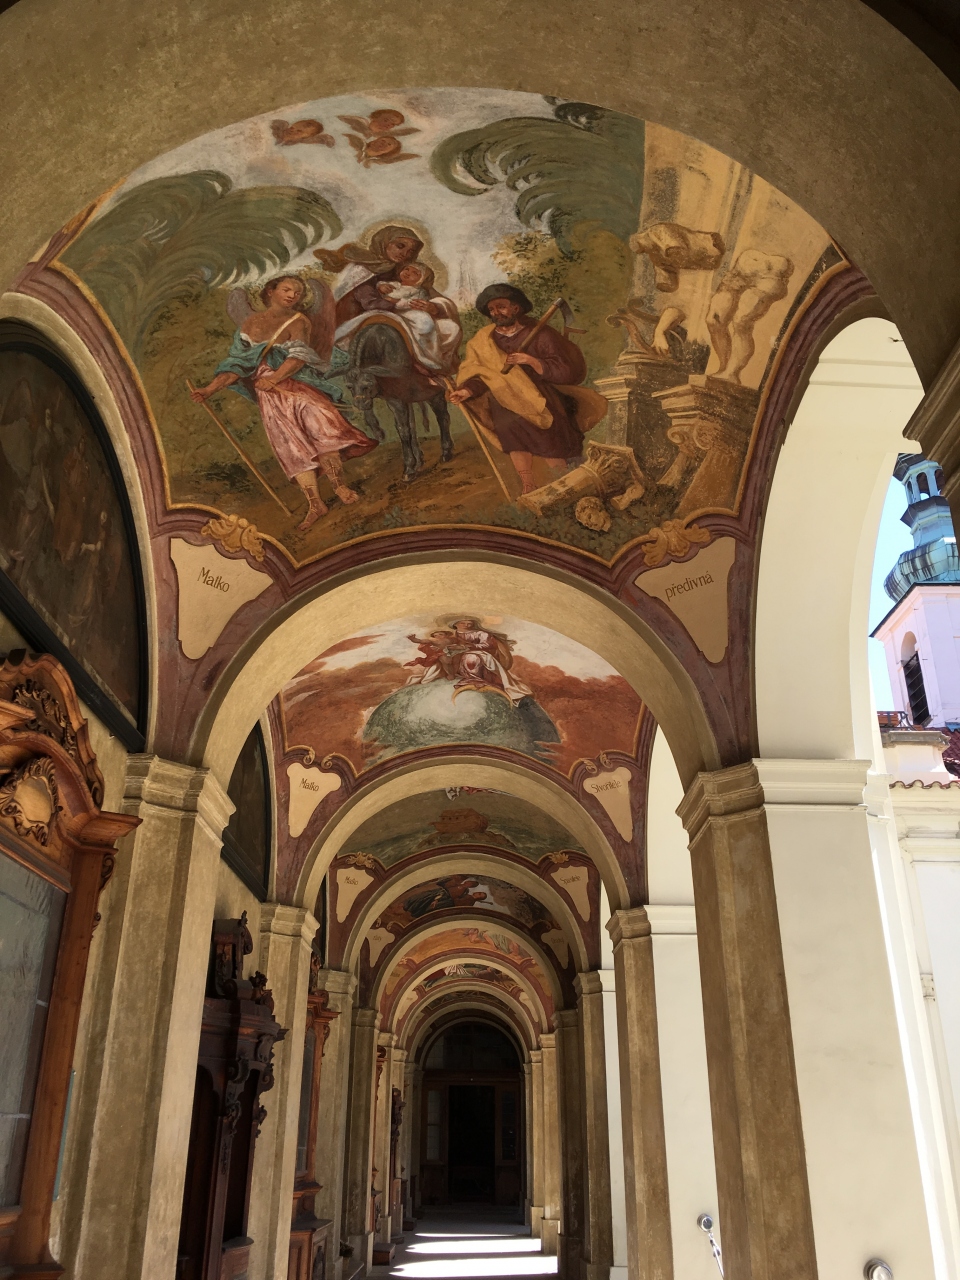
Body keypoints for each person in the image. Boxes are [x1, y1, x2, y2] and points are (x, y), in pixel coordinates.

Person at [189, 275, 377, 530]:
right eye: (287, 289)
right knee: (293, 449)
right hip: (271, 399)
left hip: (297, 386)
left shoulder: (298, 321)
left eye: (297, 293)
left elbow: (298, 357)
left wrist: (275, 378)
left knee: (324, 430)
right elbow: (237, 365)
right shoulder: (250, 324)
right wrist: (209, 390)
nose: (292, 296)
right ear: (270, 291)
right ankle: (315, 504)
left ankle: (339, 486)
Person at [447, 283, 606, 495]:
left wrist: (531, 361)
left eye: (501, 307)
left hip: (541, 399)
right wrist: (466, 391)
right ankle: (529, 487)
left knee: (550, 442)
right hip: (504, 400)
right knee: (515, 442)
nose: (496, 313)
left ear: (516, 307)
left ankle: (565, 484)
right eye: (492, 309)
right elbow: (483, 374)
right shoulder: (484, 340)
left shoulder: (540, 334)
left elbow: (566, 370)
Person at [376, 263, 460, 372]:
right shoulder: (394, 284)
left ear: (421, 280)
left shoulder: (419, 291)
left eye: (415, 273)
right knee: (423, 322)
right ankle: (419, 357)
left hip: (408, 312)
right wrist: (380, 286)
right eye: (407, 269)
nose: (408, 273)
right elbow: (379, 286)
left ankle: (426, 356)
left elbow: (414, 304)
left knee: (427, 322)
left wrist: (395, 301)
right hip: (391, 313)